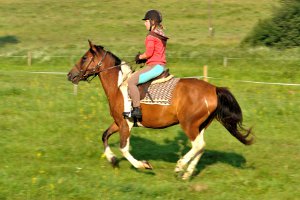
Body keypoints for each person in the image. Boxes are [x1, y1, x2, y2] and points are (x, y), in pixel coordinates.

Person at [128, 9, 169, 119]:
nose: (144, 23)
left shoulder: (151, 36)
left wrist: (139, 57)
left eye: (146, 21)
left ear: (152, 22)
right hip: (160, 66)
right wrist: (144, 59)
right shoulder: (160, 34)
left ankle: (136, 109)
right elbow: (155, 53)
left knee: (131, 81)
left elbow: (149, 53)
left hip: (154, 66)